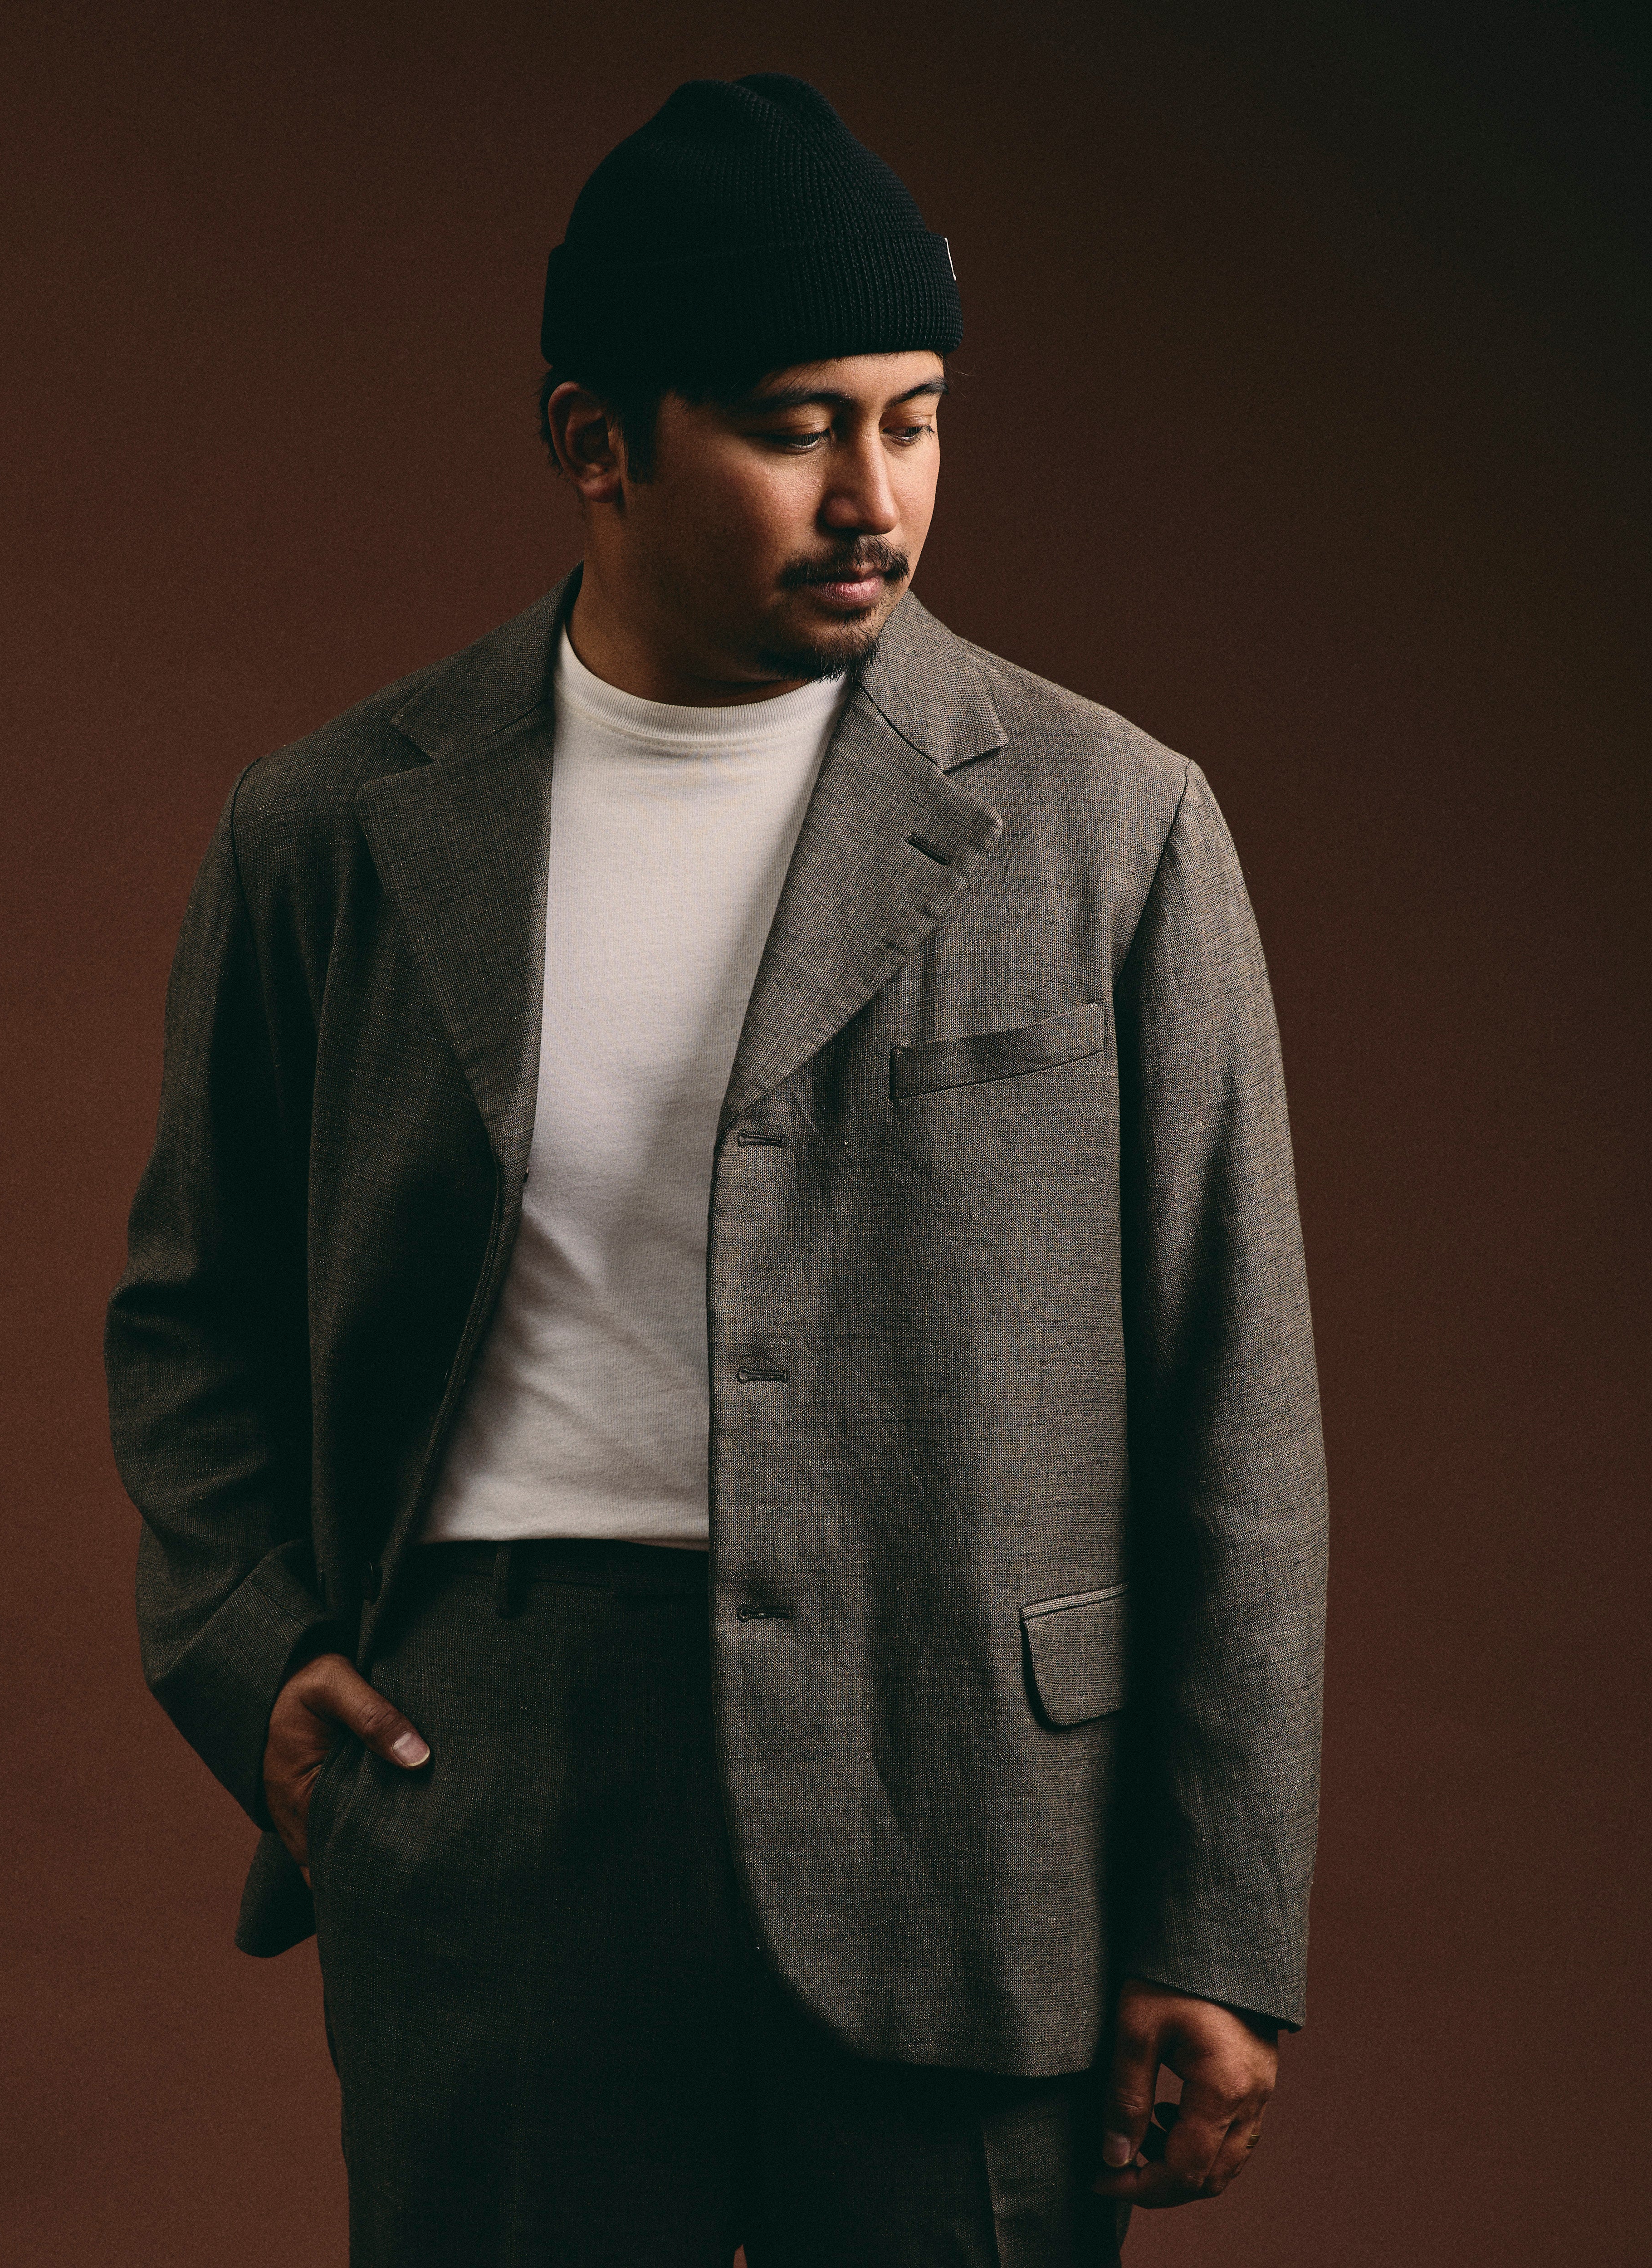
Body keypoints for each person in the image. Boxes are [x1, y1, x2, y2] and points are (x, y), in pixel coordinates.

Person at [107, 72, 1327, 2268]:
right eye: (796, 427)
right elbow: (191, 1315)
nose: (876, 496)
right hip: (497, 1793)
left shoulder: (1111, 826)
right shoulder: (329, 833)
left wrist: (1219, 1919)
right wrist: (249, 1655)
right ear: (597, 440)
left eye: (916, 419)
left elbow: (1230, 1396)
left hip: (973, 1819)